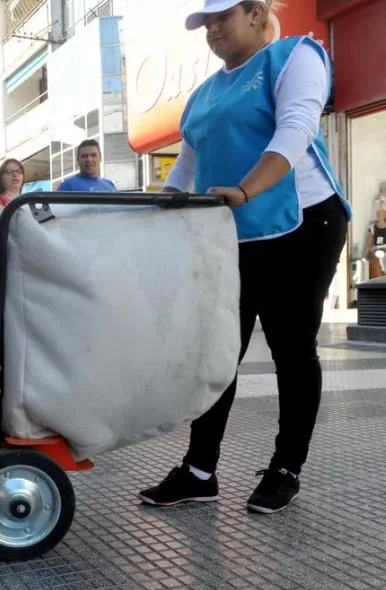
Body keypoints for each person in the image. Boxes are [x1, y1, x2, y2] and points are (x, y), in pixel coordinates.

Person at [139, 0, 351, 514]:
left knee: (291, 348)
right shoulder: (205, 93)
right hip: (233, 232)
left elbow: (296, 130)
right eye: (205, 23)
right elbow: (185, 165)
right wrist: (155, 214)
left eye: (221, 17)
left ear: (256, 14)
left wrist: (245, 188)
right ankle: (198, 470)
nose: (211, 29)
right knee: (217, 352)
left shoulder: (294, 56)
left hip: (302, 222)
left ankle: (286, 468)